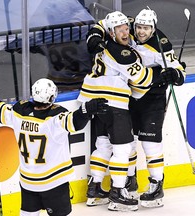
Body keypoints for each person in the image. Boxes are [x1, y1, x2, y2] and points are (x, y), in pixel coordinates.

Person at [85, 8, 186, 208]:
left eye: (146, 28)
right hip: (125, 97)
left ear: (154, 28)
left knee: (148, 143)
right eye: (138, 27)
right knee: (124, 145)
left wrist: (174, 75)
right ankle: (124, 184)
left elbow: (180, 72)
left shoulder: (161, 45)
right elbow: (141, 78)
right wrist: (95, 34)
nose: (140, 32)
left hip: (149, 98)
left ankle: (155, 184)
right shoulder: (125, 33)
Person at [0, 78, 109, 216]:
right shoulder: (54, 118)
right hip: (54, 182)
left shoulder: (19, 111)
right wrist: (86, 110)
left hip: (28, 182)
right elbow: (74, 122)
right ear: (53, 97)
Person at [78, 11, 163, 211]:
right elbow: (142, 81)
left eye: (126, 28)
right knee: (123, 149)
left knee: (103, 144)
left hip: (94, 101)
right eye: (120, 29)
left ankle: (95, 189)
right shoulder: (124, 53)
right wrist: (160, 72)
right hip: (114, 103)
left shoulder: (105, 46)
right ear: (111, 31)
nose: (126, 33)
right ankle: (118, 193)